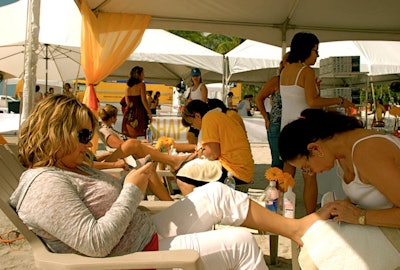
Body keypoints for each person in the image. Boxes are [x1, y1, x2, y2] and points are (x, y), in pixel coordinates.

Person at [11, 94, 330, 269]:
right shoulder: (44, 186)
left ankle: (296, 229)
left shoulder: (67, 167)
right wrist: (131, 190)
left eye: (91, 134)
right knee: (242, 245)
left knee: (217, 194)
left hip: (141, 235)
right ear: (56, 134)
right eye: (83, 135)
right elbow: (96, 244)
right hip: (134, 255)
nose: (89, 142)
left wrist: (126, 179)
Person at [279, 108, 400, 229]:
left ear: (315, 149)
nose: (310, 173)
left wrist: (360, 216)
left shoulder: (367, 153)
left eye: (306, 168)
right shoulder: (341, 155)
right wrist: (342, 206)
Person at [280, 32, 354, 214]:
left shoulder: (285, 71)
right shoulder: (306, 71)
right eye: (315, 50)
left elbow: (299, 98)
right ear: (307, 49)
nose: (317, 55)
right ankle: (311, 217)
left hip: (287, 127)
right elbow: (312, 102)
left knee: (286, 173)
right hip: (302, 129)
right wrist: (339, 100)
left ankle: (280, 209)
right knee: (309, 174)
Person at [178, 100, 254, 195]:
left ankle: (198, 208)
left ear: (197, 116)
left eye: (192, 123)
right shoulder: (219, 116)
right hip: (243, 169)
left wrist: (202, 151)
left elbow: (212, 154)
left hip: (233, 170)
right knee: (193, 170)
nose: (194, 127)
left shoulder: (208, 118)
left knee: (183, 175)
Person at [99, 104, 195, 171]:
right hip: (129, 156)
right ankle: (189, 152)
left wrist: (140, 142)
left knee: (165, 144)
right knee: (165, 145)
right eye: (115, 116)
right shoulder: (106, 132)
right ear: (112, 118)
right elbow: (123, 146)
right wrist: (140, 144)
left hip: (132, 152)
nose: (116, 119)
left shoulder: (108, 129)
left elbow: (126, 144)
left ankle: (190, 151)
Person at [255, 52, 289, 169]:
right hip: (276, 123)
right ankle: (275, 185)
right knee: (277, 160)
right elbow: (259, 98)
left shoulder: (296, 81)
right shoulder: (276, 81)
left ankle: (283, 186)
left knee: (288, 161)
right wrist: (265, 117)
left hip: (290, 123)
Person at [122, 66, 152, 138]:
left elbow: (127, 102)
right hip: (139, 111)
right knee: (139, 134)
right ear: (138, 75)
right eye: (142, 74)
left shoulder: (127, 86)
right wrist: (149, 113)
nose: (144, 75)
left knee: (131, 136)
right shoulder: (141, 85)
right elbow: (144, 100)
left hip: (130, 112)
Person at [185, 67, 208, 144]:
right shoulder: (191, 89)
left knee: (198, 135)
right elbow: (190, 100)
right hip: (194, 115)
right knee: (191, 135)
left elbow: (204, 102)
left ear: (200, 76)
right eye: (194, 76)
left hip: (200, 115)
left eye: (197, 76)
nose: (195, 78)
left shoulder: (202, 86)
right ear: (191, 77)